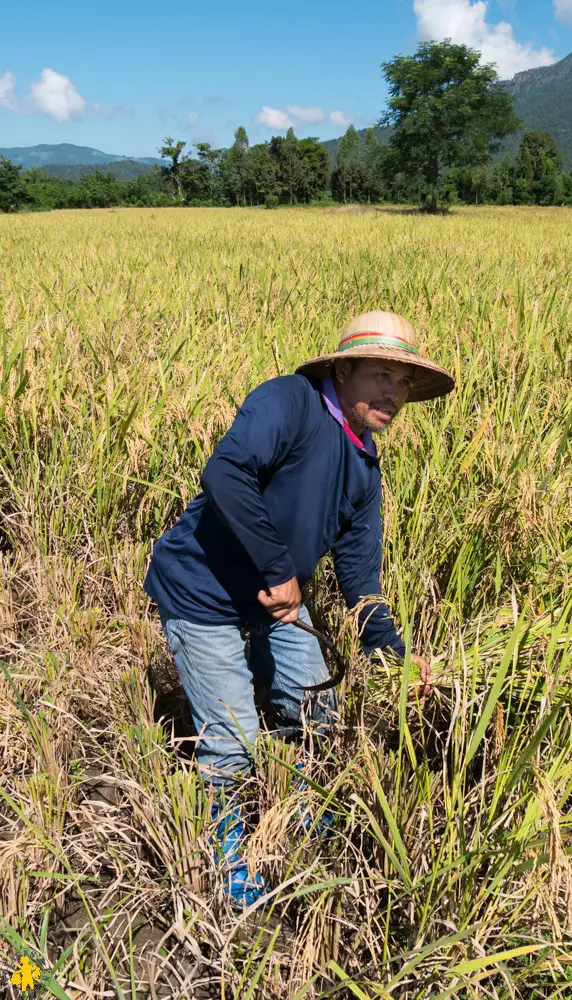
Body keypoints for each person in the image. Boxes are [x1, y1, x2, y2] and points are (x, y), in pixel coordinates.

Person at [144, 310, 455, 906]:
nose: (393, 393)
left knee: (318, 704)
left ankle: (302, 810)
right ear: (343, 370)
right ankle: (226, 847)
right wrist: (280, 569)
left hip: (273, 603)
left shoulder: (364, 468)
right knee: (233, 736)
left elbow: (361, 582)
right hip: (201, 590)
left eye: (403, 383)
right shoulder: (290, 401)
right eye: (380, 375)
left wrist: (400, 663)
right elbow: (226, 472)